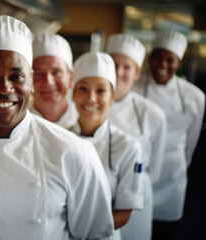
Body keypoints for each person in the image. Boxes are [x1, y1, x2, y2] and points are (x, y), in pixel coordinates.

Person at [0, 15, 115, 240]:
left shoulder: (73, 152)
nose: (4, 88)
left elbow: (98, 236)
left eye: (16, 77)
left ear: (30, 82)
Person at [132, 30, 205, 239]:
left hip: (173, 176)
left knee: (167, 231)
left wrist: (180, 163)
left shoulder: (195, 97)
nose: (162, 64)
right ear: (149, 59)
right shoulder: (135, 89)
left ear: (179, 62)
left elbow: (191, 141)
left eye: (170, 59)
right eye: (157, 57)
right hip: (140, 172)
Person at [69, 51, 143, 240]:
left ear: (111, 97)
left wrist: (83, 234)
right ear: (73, 94)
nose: (91, 98)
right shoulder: (60, 138)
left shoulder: (128, 146)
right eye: (83, 89)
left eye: (101, 90)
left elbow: (124, 212)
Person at [106, 33, 167, 240]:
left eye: (126, 67)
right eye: (113, 64)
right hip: (99, 194)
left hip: (136, 195)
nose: (118, 72)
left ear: (137, 74)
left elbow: (155, 168)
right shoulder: (88, 105)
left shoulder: (152, 113)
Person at [30, 32, 78, 129]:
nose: (48, 81)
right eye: (38, 73)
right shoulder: (18, 125)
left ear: (71, 78)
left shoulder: (83, 123)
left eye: (56, 72)